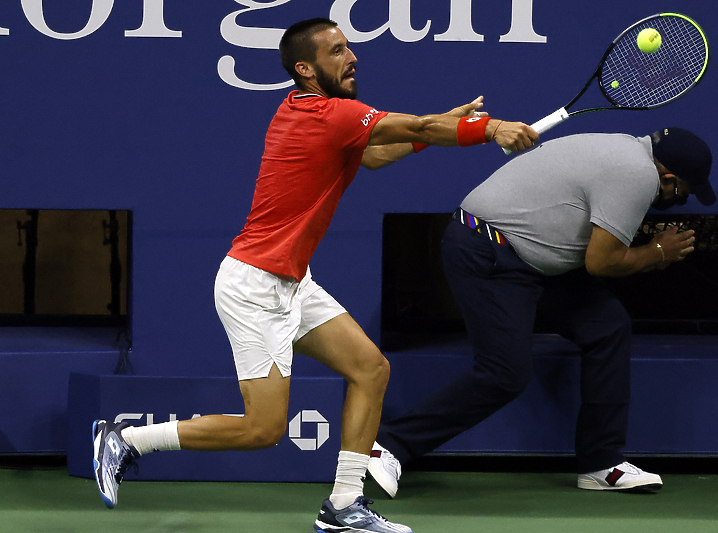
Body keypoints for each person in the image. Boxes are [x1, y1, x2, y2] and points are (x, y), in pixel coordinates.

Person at [90, 17, 538, 533]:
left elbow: (376, 154)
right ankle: (126, 440)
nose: (352, 58)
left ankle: (344, 505)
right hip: (256, 287)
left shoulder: (315, 114)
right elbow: (415, 127)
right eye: (337, 51)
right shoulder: (329, 116)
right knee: (263, 430)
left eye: (349, 48)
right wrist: (490, 130)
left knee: (370, 369)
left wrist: (439, 129)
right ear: (305, 68)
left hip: (291, 282)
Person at [368, 127, 714, 497]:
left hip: (533, 260)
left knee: (608, 326)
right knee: (504, 374)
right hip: (489, 252)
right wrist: (657, 253)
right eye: (681, 194)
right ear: (668, 178)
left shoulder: (624, 148)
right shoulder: (637, 174)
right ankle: (388, 445)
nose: (679, 202)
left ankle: (601, 463)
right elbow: (601, 261)